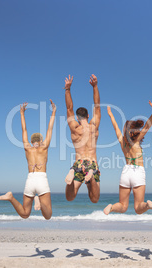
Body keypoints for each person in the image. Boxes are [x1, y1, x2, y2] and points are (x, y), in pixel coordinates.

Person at [0, 100, 56, 220]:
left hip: (30, 180)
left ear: (32, 142)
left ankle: (11, 197)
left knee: (24, 214)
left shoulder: (27, 147)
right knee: (48, 215)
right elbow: (50, 129)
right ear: (41, 141)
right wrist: (53, 112)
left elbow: (24, 130)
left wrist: (22, 114)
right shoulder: (44, 147)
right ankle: (39, 202)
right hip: (41, 179)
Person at [103, 102, 152, 215]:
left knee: (123, 206)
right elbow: (147, 126)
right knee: (138, 208)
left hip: (126, 172)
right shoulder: (137, 141)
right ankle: (147, 205)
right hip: (138, 172)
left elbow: (115, 127)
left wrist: (110, 115)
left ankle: (112, 207)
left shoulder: (122, 141)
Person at [63, 74, 101, 203]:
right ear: (88, 115)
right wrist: (95, 86)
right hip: (92, 162)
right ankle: (91, 176)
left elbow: (69, 108)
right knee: (94, 199)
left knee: (70, 197)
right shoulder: (93, 127)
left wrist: (67, 89)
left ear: (77, 118)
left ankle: (72, 172)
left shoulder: (75, 128)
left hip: (78, 163)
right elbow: (97, 105)